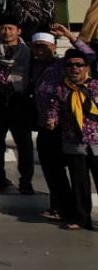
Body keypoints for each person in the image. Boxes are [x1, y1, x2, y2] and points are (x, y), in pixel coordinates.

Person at [0, 18, 35, 194]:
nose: (6, 32)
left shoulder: (29, 51)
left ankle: (26, 181)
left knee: (24, 145)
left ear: (18, 31)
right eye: (3, 28)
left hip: (19, 102)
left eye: (10, 28)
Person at [46, 50, 98, 230]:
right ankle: (82, 218)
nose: (74, 69)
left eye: (78, 65)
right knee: (79, 183)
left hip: (96, 140)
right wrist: (52, 120)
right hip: (74, 142)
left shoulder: (95, 86)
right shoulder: (61, 88)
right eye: (70, 65)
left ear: (86, 68)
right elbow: (54, 109)